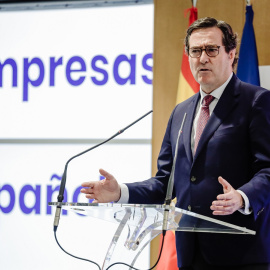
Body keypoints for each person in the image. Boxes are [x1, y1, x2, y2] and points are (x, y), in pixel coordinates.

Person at [81, 17, 270, 270]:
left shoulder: (256, 101)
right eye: (195, 50)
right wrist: (119, 193)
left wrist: (242, 197)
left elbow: (268, 170)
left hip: (242, 255)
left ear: (231, 54)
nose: (203, 58)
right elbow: (165, 183)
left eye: (211, 49)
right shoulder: (181, 111)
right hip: (190, 254)